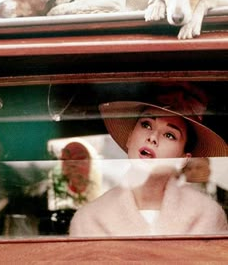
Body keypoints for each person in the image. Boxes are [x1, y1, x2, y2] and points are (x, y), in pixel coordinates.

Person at [69, 83, 228, 237]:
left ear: (183, 159)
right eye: (146, 124)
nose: (152, 137)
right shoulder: (88, 220)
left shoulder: (207, 216)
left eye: (169, 135)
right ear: (130, 138)